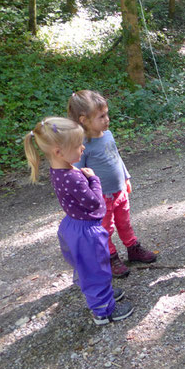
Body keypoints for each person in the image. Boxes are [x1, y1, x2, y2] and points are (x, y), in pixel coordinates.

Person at [23, 117, 134, 325]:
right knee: (96, 270)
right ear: (59, 151)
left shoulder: (59, 168)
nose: (83, 148)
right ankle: (103, 311)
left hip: (74, 225)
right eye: (77, 145)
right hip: (86, 231)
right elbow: (94, 203)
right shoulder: (72, 177)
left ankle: (103, 296)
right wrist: (95, 180)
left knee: (89, 267)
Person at [68, 90, 157, 278]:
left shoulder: (107, 134)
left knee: (124, 222)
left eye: (107, 114)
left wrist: (126, 177)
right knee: (105, 228)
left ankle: (132, 248)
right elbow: (78, 173)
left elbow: (116, 158)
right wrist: (88, 196)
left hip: (119, 191)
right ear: (83, 119)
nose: (107, 119)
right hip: (101, 197)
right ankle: (110, 257)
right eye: (101, 116)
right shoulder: (82, 145)